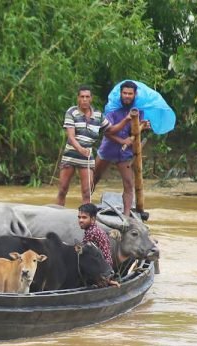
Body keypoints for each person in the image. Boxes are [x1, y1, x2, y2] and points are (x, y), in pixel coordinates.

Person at [93, 81, 151, 216]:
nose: (127, 96)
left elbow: (133, 133)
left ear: (134, 95)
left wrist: (143, 126)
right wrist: (122, 139)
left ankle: (126, 216)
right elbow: (107, 132)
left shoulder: (138, 111)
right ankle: (85, 207)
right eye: (124, 93)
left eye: (130, 94)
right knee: (94, 177)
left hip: (124, 154)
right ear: (120, 94)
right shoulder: (112, 110)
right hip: (108, 149)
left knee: (129, 184)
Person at [56, 85, 111, 206]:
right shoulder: (72, 112)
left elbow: (111, 130)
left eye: (87, 97)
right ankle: (57, 213)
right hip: (70, 155)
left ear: (91, 98)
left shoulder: (98, 115)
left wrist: (128, 120)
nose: (84, 99)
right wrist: (80, 149)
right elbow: (71, 136)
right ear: (78, 98)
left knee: (87, 192)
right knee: (63, 189)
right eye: (82, 97)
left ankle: (85, 221)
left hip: (87, 158)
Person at [77, 203, 113, 267]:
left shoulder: (92, 232)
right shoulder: (95, 229)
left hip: (101, 267)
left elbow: (81, 251)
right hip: (104, 264)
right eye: (79, 217)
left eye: (84, 217)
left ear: (93, 219)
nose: (80, 220)